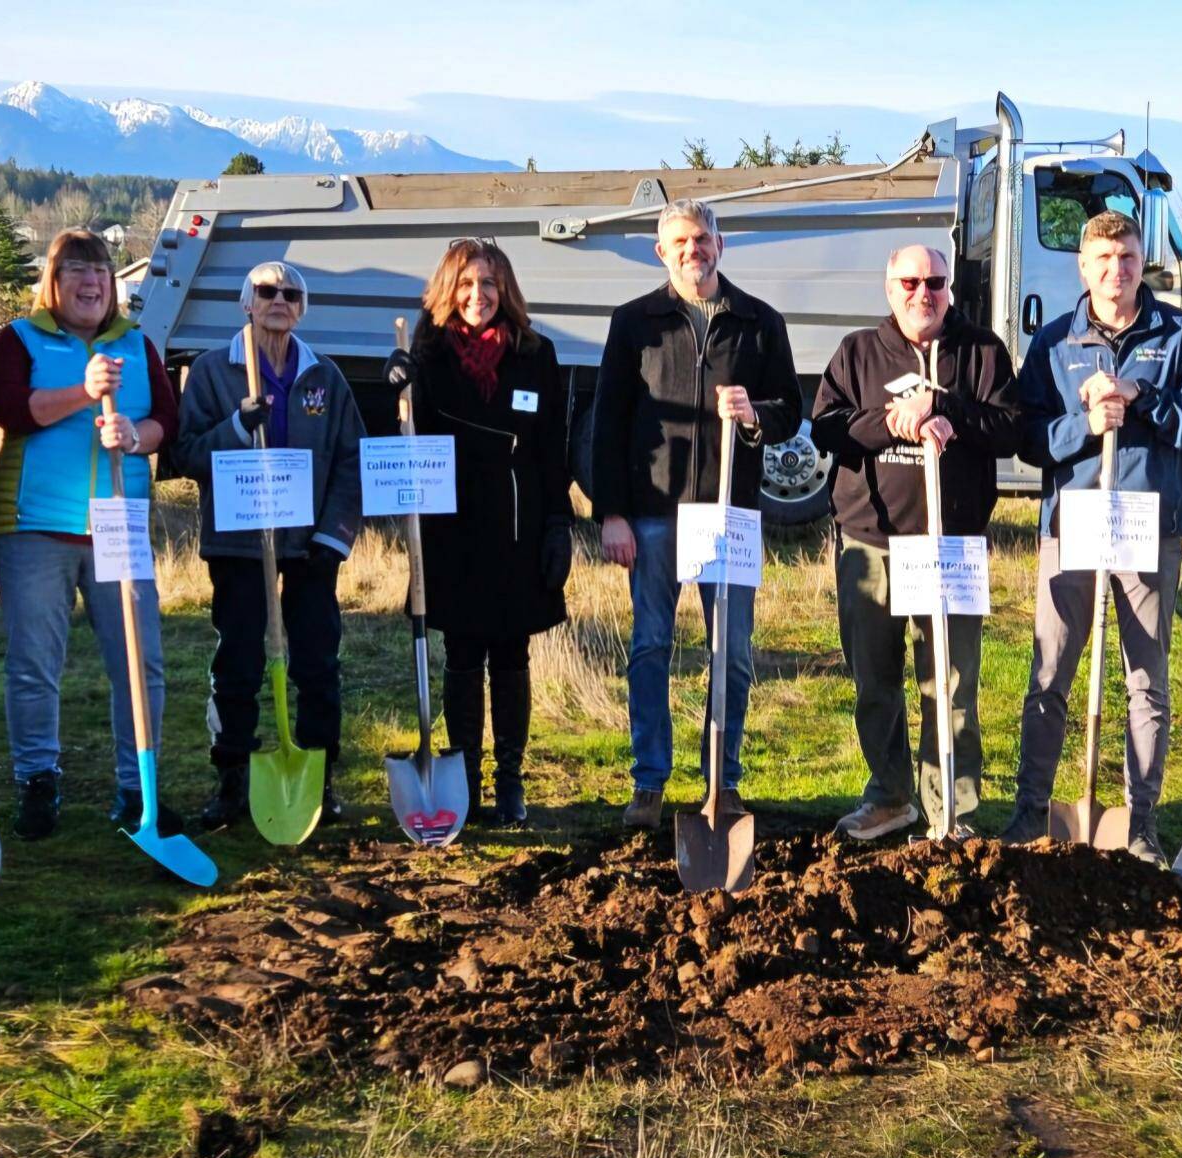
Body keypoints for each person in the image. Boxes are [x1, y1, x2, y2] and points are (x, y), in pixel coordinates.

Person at [1002, 210, 1182, 866]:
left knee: (1145, 681)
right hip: (1072, 525)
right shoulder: (1054, 342)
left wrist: (1144, 398)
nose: (1116, 271)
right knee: (1050, 673)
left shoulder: (1181, 336)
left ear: (1141, 263)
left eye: (1127, 258)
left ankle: (1139, 823)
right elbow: (1026, 440)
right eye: (1103, 259)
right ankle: (1030, 813)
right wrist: (1083, 422)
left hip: (1147, 527)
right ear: (1083, 267)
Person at [590, 199, 802, 830]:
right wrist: (612, 514)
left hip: (728, 515)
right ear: (662, 252)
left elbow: (792, 408)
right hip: (653, 515)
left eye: (702, 238)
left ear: (720, 243)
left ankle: (723, 782)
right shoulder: (635, 324)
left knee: (731, 653)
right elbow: (608, 423)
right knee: (651, 647)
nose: (693, 250)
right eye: (679, 241)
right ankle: (649, 782)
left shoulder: (758, 322)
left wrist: (756, 412)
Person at [812, 245, 1023, 840]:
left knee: (951, 684)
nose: (921, 293)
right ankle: (889, 797)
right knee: (875, 679)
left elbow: (1011, 429)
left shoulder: (982, 352)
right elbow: (827, 426)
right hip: (871, 543)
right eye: (909, 282)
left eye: (934, 282)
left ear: (949, 286)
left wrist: (947, 408)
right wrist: (891, 420)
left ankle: (951, 810)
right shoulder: (857, 352)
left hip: (951, 546)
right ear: (889, 288)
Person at [0, 228, 180, 841]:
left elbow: (166, 420)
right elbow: (6, 408)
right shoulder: (20, 338)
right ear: (53, 283)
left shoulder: (138, 344)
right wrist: (82, 393)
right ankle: (37, 782)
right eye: (75, 271)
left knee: (140, 664)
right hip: (34, 525)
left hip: (117, 526)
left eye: (100, 271)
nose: (90, 282)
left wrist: (135, 438)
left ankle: (135, 787)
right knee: (36, 663)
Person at [170, 260, 365, 830]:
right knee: (239, 661)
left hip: (308, 547)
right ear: (246, 303)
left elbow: (351, 461)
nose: (278, 299)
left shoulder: (324, 378)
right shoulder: (212, 371)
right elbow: (184, 453)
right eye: (266, 290)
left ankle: (319, 776)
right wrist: (234, 426)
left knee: (316, 661)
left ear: (302, 308)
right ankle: (231, 777)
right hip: (239, 542)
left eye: (290, 293)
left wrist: (334, 536)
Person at [383, 239, 571, 825]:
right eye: (465, 284)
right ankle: (463, 780)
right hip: (453, 528)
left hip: (519, 524)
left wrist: (559, 522)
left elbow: (551, 448)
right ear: (447, 290)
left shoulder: (537, 354)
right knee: (462, 653)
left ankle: (509, 781)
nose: (477, 295)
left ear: (505, 290)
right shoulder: (427, 353)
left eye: (488, 284)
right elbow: (404, 447)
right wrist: (398, 392)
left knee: (512, 654)